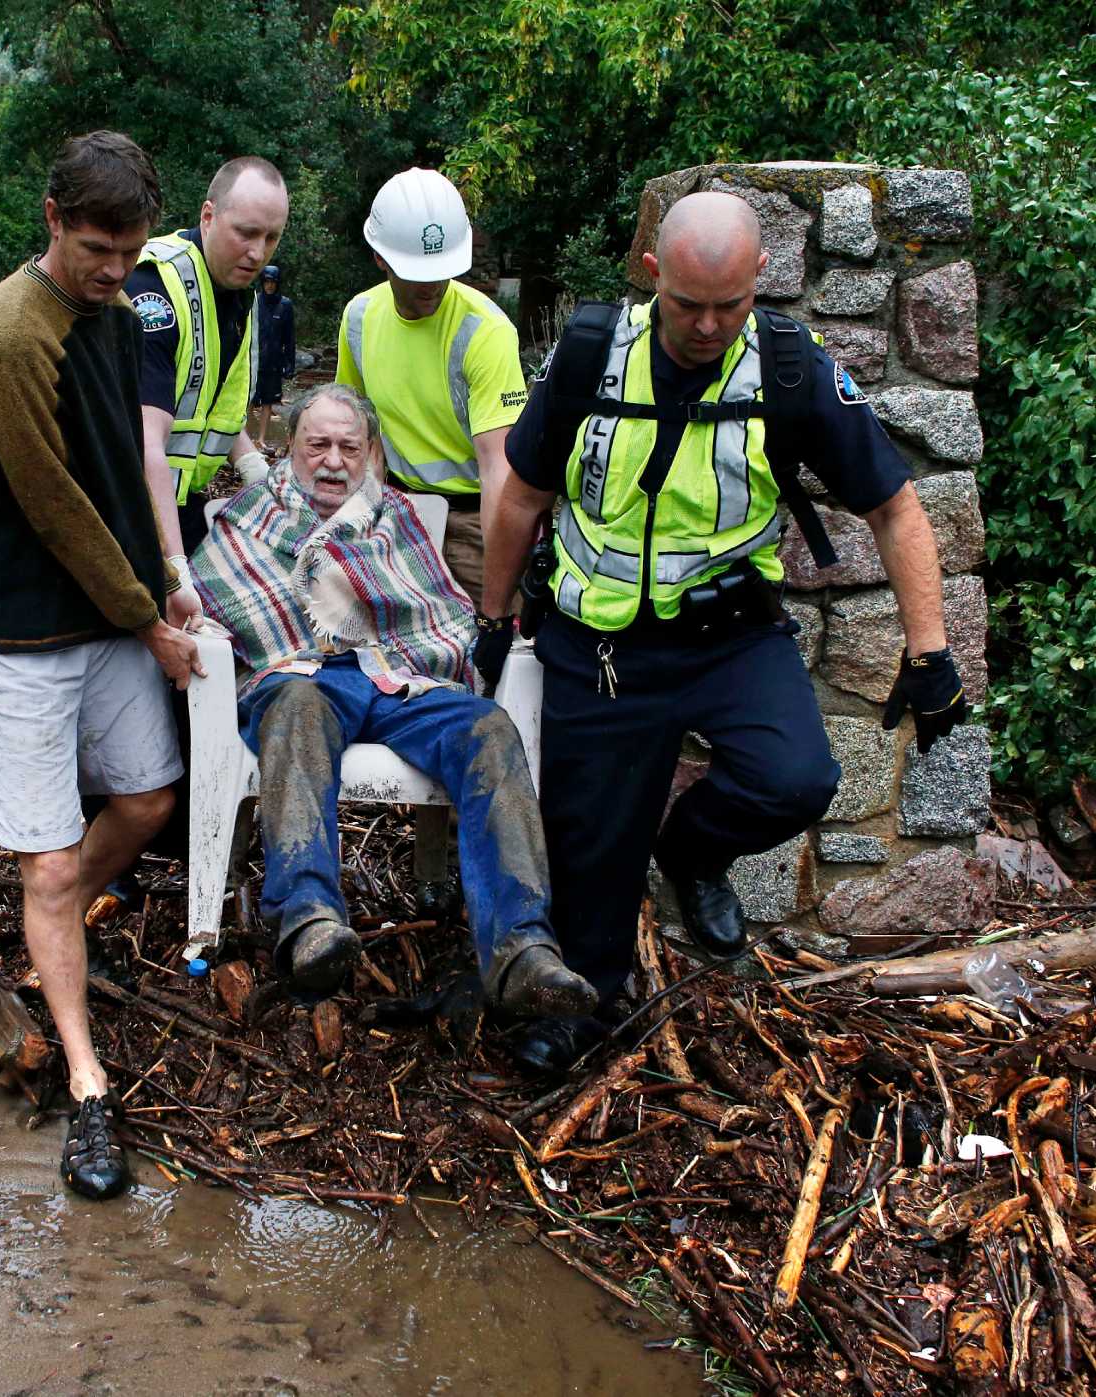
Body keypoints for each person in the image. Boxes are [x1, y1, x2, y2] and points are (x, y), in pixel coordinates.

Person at [478, 191, 970, 1074]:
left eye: (729, 304)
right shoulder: (592, 354)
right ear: (652, 274)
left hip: (731, 634)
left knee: (797, 776)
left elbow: (896, 506)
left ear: (761, 281)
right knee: (591, 848)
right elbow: (519, 493)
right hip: (604, 645)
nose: (707, 325)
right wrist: (495, 610)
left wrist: (930, 651)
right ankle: (584, 1007)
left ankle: (693, 850)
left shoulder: (788, 366)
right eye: (687, 304)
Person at [0, 130, 201, 1201]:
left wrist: (166, 577)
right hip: (21, 630)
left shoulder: (119, 308)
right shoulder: (5, 336)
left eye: (130, 251)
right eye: (96, 247)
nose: (112, 269)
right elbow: (52, 505)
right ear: (51, 217)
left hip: (111, 613)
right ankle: (89, 1086)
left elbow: (123, 464)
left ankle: (42, 935)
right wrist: (147, 617)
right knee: (46, 864)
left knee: (144, 798)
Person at [190, 383, 596, 1018]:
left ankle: (524, 952)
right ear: (289, 448)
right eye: (316, 444)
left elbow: (434, 611)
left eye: (349, 447)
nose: (333, 460)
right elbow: (217, 596)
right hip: (298, 675)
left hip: (397, 675)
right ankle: (310, 921)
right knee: (295, 704)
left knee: (488, 726)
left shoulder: (395, 515)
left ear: (369, 452)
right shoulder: (248, 516)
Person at [336, 168, 528, 607]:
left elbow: (497, 467)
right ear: (381, 259)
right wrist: (360, 521)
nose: (432, 284)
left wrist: (498, 605)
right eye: (416, 271)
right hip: (396, 504)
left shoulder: (484, 331)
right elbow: (360, 434)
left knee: (493, 633)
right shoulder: (360, 318)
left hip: (474, 513)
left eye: (442, 269)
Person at [124, 156, 289, 618]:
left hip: (180, 499)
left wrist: (254, 466)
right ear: (208, 215)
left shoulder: (238, 292)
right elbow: (145, 444)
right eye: (246, 233)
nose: (258, 253)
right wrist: (175, 568)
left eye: (271, 237)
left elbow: (205, 403)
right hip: (129, 507)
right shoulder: (157, 289)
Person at [247, 263, 297, 448]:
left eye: (272, 282)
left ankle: (261, 439)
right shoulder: (254, 301)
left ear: (277, 284)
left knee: (268, 401)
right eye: (266, 282)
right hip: (253, 359)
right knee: (250, 400)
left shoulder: (285, 305)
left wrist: (289, 362)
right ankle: (248, 438)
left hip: (273, 360)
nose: (269, 286)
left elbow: (289, 336)